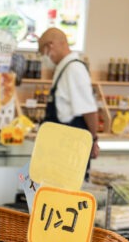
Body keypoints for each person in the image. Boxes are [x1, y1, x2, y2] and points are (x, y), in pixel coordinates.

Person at [37, 28, 100, 161]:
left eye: (44, 53)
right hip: (59, 146)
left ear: (50, 46)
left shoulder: (74, 69)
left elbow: (89, 110)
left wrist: (93, 140)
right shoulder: (63, 68)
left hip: (71, 149)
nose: (46, 58)